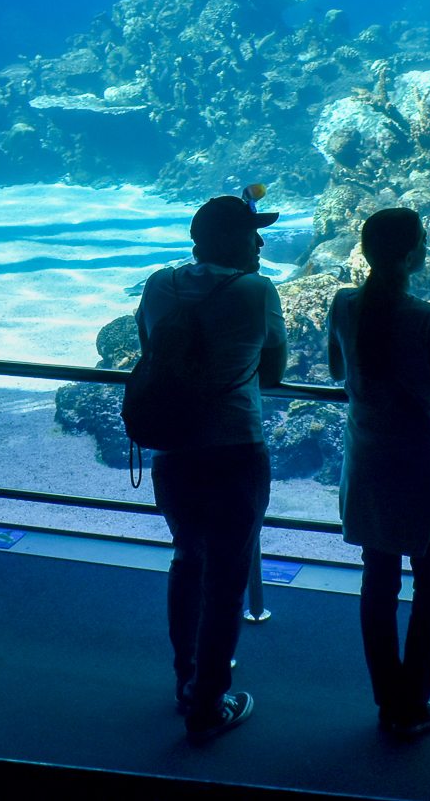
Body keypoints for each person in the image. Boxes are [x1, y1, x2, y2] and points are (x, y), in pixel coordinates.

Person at [134, 194, 287, 743]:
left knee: (187, 559)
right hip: (234, 447)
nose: (260, 243)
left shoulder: (158, 283)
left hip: (174, 450)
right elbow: (273, 370)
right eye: (252, 233)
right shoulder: (256, 290)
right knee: (227, 577)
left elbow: (150, 350)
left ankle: (186, 679)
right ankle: (208, 701)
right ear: (229, 240)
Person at [328, 207, 430, 738]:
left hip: (366, 457)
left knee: (378, 577)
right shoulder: (429, 318)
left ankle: (388, 698)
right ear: (413, 254)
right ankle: (414, 701)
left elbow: (339, 370)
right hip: (418, 464)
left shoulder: (343, 304)